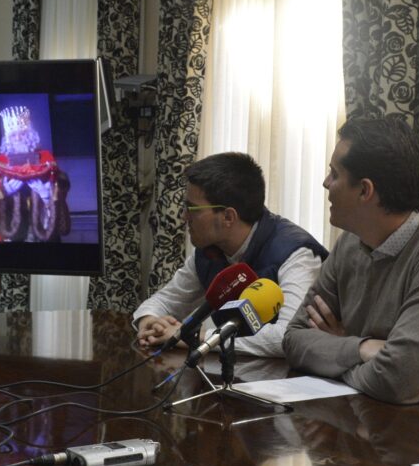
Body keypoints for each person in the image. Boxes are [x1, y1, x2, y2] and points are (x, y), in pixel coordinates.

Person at [283, 115, 419, 409]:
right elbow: (294, 340)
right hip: (376, 417)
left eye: (334, 174)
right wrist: (362, 348)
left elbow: (398, 380)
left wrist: (340, 351)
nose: (325, 184)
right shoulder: (350, 242)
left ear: (365, 191)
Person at [133, 152, 327, 357]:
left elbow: (287, 338)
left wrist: (196, 337)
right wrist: (150, 321)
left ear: (228, 216)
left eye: (192, 209)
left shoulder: (297, 254)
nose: (183, 217)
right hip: (231, 375)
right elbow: (164, 301)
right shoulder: (211, 250)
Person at [0, 106, 70, 242]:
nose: (18, 138)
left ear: (29, 134)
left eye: (22, 133)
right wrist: (4, 191)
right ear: (8, 138)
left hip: (43, 223)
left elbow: (61, 184)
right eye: (13, 135)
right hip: (12, 226)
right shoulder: (0, 161)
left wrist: (46, 193)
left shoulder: (45, 157)